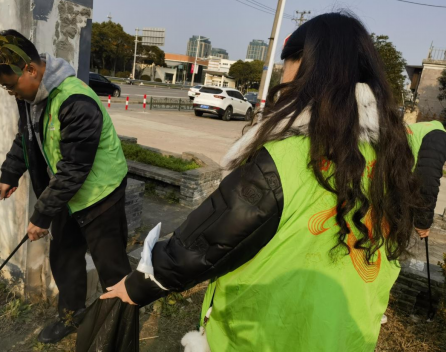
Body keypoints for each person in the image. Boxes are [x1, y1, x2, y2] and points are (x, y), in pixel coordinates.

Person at [100, 12, 446, 351]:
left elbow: (208, 240)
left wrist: (143, 282)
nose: (283, 73)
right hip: (349, 333)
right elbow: (433, 138)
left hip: (267, 332)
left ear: (309, 67)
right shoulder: (393, 157)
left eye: (288, 62)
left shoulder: (289, 156)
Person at [0, 30, 131, 344]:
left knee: (113, 271)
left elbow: (75, 168)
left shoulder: (76, 101)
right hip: (64, 193)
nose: (10, 93)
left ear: (30, 71)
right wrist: (11, 172)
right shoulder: (31, 96)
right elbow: (27, 137)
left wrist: (42, 215)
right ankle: (71, 316)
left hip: (99, 194)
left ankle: (117, 335)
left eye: (10, 86)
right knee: (64, 259)